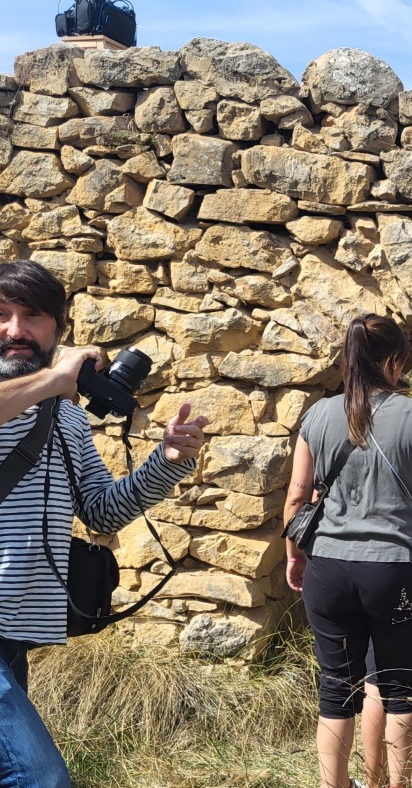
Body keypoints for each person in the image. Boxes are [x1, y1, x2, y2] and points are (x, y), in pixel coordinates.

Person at [0, 260, 208, 788]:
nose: (16, 330)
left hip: (14, 627)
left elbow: (100, 510)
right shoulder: (50, 389)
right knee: (40, 778)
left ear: (60, 327)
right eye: (1, 315)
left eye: (33, 316)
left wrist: (168, 459)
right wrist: (55, 379)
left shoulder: (64, 410)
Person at [284, 314, 412, 788]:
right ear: (394, 359)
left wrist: (296, 555)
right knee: (399, 690)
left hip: (329, 568)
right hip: (397, 570)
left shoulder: (317, 415)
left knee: (336, 691)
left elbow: (297, 500)